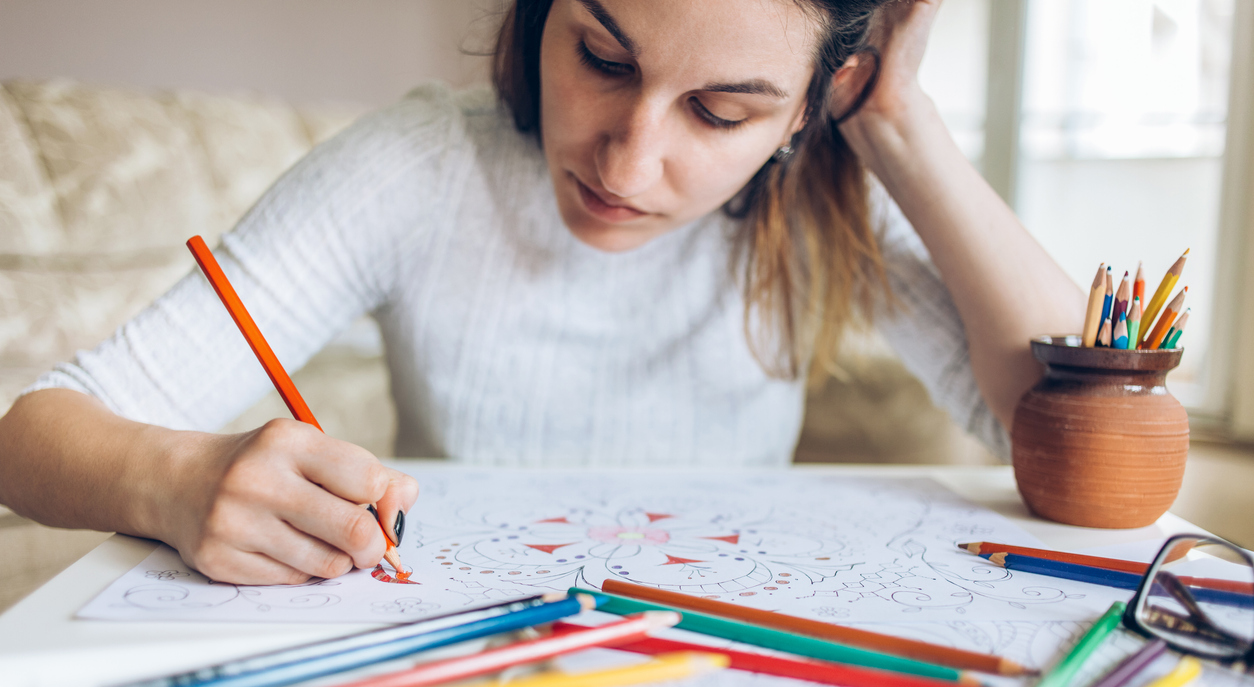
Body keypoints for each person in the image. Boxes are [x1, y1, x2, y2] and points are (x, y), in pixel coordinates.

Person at [0, 0, 1082, 586]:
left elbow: (1089, 451)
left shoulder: (826, 195)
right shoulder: (421, 168)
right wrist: (179, 478)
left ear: (808, 109)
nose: (627, 156)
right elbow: (30, 432)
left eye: (719, 112)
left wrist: (897, 124)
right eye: (604, 56)